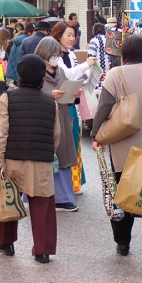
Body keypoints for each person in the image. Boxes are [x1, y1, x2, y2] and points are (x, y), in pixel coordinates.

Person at [91, 35, 142, 263]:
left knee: (121, 194)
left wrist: (97, 134)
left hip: (123, 145)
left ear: (124, 54)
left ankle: (123, 242)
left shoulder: (116, 74)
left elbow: (104, 106)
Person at [0, 54, 61, 263]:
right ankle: (43, 250)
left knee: (7, 199)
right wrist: (48, 152)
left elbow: (1, 132)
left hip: (13, 158)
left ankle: (5, 242)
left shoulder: (7, 98)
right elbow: (55, 134)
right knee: (43, 205)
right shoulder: (50, 101)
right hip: (41, 159)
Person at [35, 37, 80, 212]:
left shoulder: (60, 70)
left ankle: (62, 198)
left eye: (57, 54)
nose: (56, 57)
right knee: (46, 159)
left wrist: (73, 95)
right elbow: (29, 93)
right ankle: (43, 197)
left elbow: (66, 95)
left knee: (63, 158)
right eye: (53, 54)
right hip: (44, 120)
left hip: (62, 117)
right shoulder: (35, 71)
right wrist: (49, 95)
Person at [51, 21, 96, 194]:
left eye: (73, 35)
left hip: (71, 101)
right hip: (60, 103)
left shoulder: (70, 54)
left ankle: (74, 183)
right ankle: (65, 185)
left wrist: (87, 76)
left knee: (74, 141)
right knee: (64, 143)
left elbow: (75, 75)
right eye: (68, 35)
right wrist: (86, 66)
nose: (72, 39)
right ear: (58, 35)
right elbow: (66, 75)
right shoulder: (55, 55)